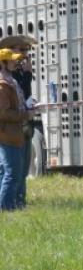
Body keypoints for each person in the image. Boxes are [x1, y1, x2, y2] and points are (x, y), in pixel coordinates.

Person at [2, 35, 38, 208]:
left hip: (21, 125)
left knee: (20, 169)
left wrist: (28, 73)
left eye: (27, 51)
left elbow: (25, 94)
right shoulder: (7, 78)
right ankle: (10, 205)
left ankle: (18, 202)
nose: (25, 55)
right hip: (11, 128)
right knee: (12, 170)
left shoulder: (19, 74)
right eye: (21, 50)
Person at [0, 48, 29, 211]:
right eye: (11, 60)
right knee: (12, 174)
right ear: (3, 64)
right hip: (7, 135)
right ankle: (6, 209)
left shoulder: (11, 81)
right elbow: (3, 113)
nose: (14, 62)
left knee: (7, 173)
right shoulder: (2, 86)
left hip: (14, 134)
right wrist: (25, 114)